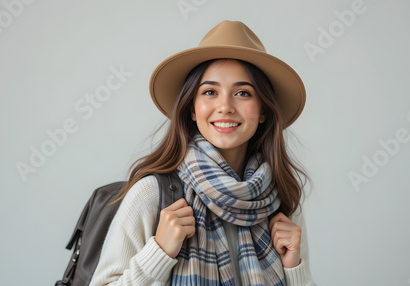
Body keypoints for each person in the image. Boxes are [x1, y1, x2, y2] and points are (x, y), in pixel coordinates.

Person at [89, 20, 316, 286]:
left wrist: (293, 268)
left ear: (263, 110)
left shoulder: (281, 200)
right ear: (192, 109)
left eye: (243, 93)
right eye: (210, 92)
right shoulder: (153, 195)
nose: (225, 106)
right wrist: (159, 253)